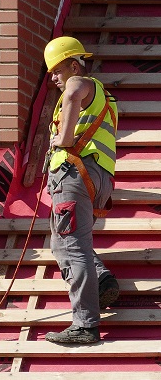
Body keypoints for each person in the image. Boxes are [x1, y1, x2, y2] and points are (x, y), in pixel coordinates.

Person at [43, 36, 119, 344]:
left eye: (58, 71)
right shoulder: (103, 96)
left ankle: (86, 325)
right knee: (63, 243)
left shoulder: (82, 85)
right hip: (93, 176)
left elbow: (74, 88)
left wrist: (62, 139)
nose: (54, 79)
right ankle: (100, 280)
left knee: (70, 246)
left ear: (74, 65)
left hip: (75, 175)